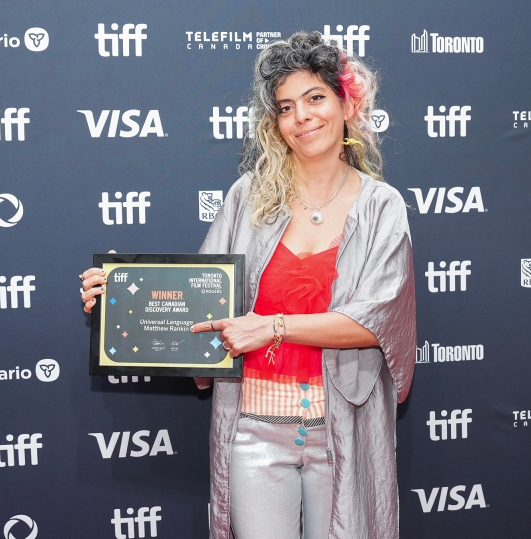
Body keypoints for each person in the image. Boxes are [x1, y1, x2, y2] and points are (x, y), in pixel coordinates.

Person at [80, 31, 416, 539]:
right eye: (285, 107)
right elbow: (198, 301)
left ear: (348, 103)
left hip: (343, 430)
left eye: (315, 97)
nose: (301, 116)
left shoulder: (381, 205)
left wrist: (272, 328)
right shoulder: (248, 198)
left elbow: (376, 320)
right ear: (274, 124)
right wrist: (118, 297)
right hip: (254, 431)